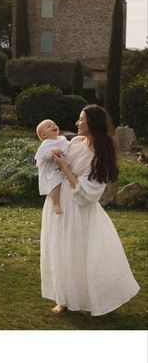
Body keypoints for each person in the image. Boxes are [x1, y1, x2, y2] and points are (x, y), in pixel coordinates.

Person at [40, 105, 140, 316]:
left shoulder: (100, 156)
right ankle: (63, 298)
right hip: (59, 205)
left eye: (81, 119)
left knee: (77, 252)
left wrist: (64, 167)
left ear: (91, 123)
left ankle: (84, 296)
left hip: (79, 209)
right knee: (59, 248)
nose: (77, 123)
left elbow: (89, 192)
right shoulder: (75, 142)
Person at [35, 119, 70, 214]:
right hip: (50, 170)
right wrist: (52, 151)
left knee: (64, 181)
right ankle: (56, 203)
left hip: (61, 166)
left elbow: (68, 146)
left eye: (54, 124)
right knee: (55, 183)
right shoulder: (45, 144)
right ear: (44, 135)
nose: (54, 126)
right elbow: (44, 156)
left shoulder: (62, 139)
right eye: (49, 126)